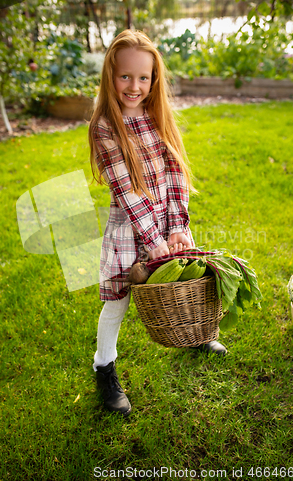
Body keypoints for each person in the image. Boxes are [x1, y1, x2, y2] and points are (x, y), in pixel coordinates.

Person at [88, 29, 226, 417]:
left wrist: (178, 225)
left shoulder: (156, 115)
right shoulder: (104, 126)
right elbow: (127, 190)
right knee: (117, 301)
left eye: (143, 77)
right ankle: (104, 367)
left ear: (154, 79)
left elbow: (177, 171)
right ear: (110, 76)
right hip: (130, 227)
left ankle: (197, 333)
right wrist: (151, 240)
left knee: (190, 279)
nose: (135, 86)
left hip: (169, 220)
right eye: (125, 76)